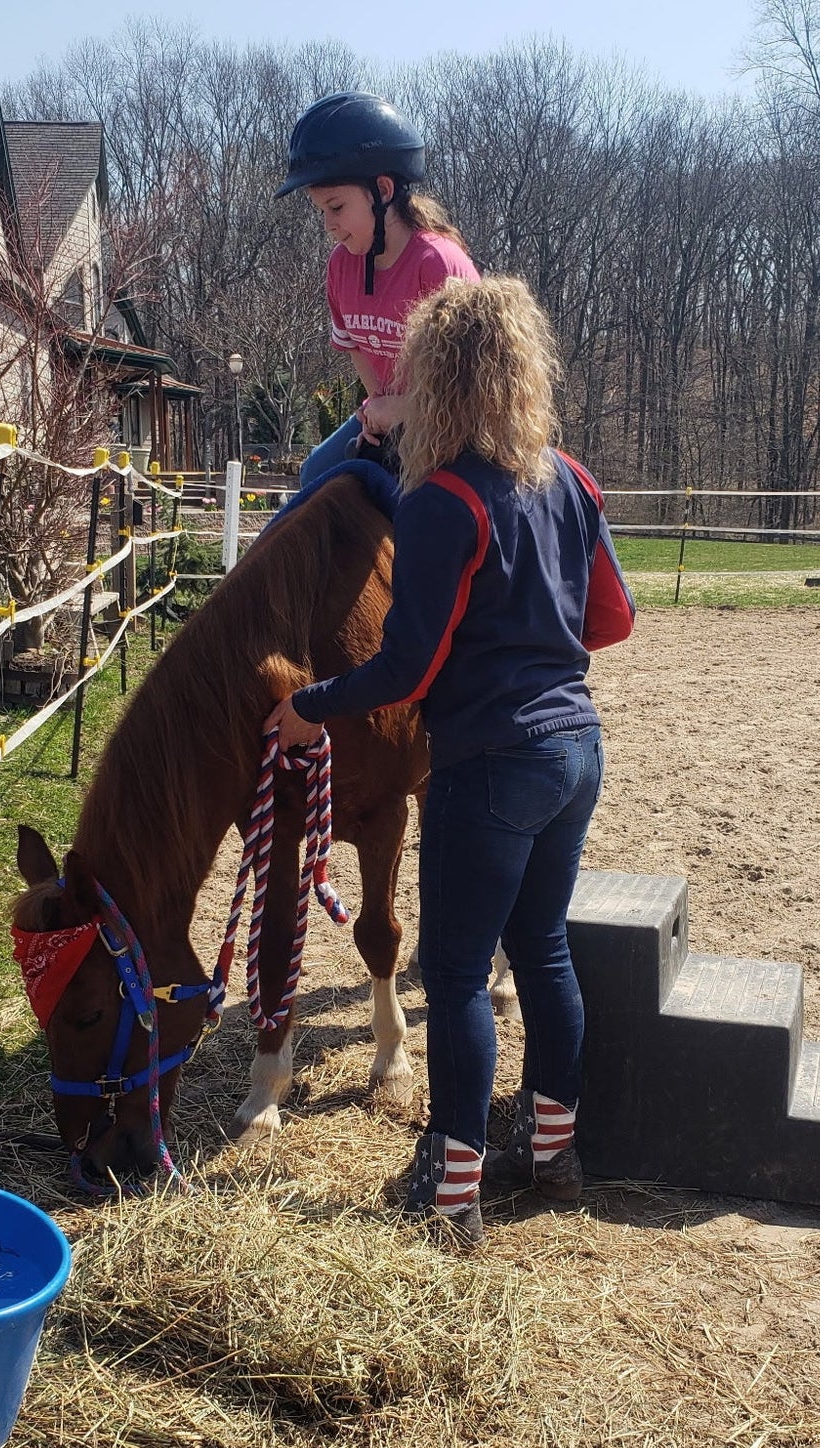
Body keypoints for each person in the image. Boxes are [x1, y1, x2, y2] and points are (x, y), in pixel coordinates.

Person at [266, 276, 637, 1244]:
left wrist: (310, 708)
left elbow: (405, 665)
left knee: (459, 976)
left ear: (431, 378)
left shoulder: (442, 501)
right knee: (544, 949)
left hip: (489, 757)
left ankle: (452, 1186)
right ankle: (552, 1151)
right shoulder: (571, 478)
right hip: (576, 747)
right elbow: (614, 620)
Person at [276, 92, 479, 487]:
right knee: (315, 473)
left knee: (424, 508)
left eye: (336, 207)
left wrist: (401, 410)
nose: (328, 225)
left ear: (383, 191)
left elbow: (470, 389)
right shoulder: (340, 266)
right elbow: (357, 348)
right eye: (321, 211)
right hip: (390, 417)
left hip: (453, 427)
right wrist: (378, 409)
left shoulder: (438, 265)